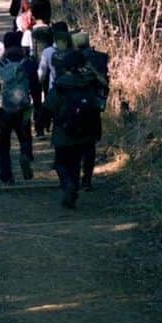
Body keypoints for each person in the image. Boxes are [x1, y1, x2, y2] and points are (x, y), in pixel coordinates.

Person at [46, 49, 102, 208]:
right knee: (76, 163)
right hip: (85, 131)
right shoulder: (90, 82)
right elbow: (97, 105)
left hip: (63, 131)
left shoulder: (60, 84)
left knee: (60, 162)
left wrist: (42, 123)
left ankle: (67, 184)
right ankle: (74, 190)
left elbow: (49, 106)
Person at [0, 30, 41, 184]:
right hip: (23, 108)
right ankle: (25, 155)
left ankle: (6, 176)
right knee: (25, 138)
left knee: (3, 143)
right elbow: (36, 88)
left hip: (3, 109)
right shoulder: (28, 64)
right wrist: (37, 107)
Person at [73, 31, 110, 191]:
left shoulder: (71, 59)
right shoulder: (100, 58)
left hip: (74, 108)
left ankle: (74, 178)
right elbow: (105, 84)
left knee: (74, 144)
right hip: (93, 107)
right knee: (90, 146)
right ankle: (87, 179)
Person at [35, 21, 70, 137]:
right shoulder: (73, 51)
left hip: (54, 88)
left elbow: (42, 74)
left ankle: (41, 129)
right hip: (73, 89)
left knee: (47, 110)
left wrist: (37, 83)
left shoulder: (48, 52)